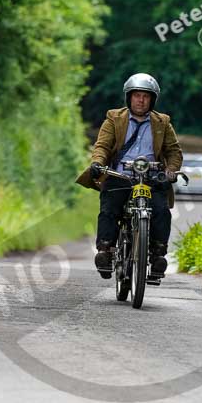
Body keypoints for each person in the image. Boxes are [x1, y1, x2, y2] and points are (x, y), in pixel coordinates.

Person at [76, 73, 183, 279]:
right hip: (120, 176)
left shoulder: (163, 122)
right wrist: (98, 163)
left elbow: (173, 151)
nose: (141, 100)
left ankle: (158, 254)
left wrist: (170, 170)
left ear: (152, 99)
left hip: (152, 178)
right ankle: (105, 251)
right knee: (109, 207)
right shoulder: (114, 118)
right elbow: (102, 146)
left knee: (161, 210)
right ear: (129, 97)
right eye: (136, 95)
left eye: (145, 96)